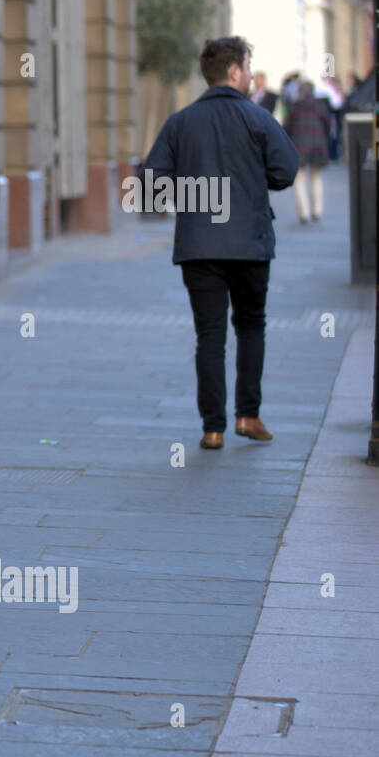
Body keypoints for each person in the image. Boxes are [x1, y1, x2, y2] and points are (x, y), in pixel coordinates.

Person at [143, 37, 298, 451]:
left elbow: (149, 187)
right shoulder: (259, 117)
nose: (250, 75)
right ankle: (248, 414)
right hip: (249, 241)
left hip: (199, 246)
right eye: (248, 67)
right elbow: (285, 172)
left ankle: (213, 428)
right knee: (250, 326)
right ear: (234, 72)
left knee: (209, 335)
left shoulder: (180, 122)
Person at [283, 80, 331, 222]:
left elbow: (287, 127)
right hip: (318, 145)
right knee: (316, 177)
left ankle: (303, 212)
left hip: (299, 145)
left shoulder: (295, 107)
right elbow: (328, 124)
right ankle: (317, 210)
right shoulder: (320, 106)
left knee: (299, 179)